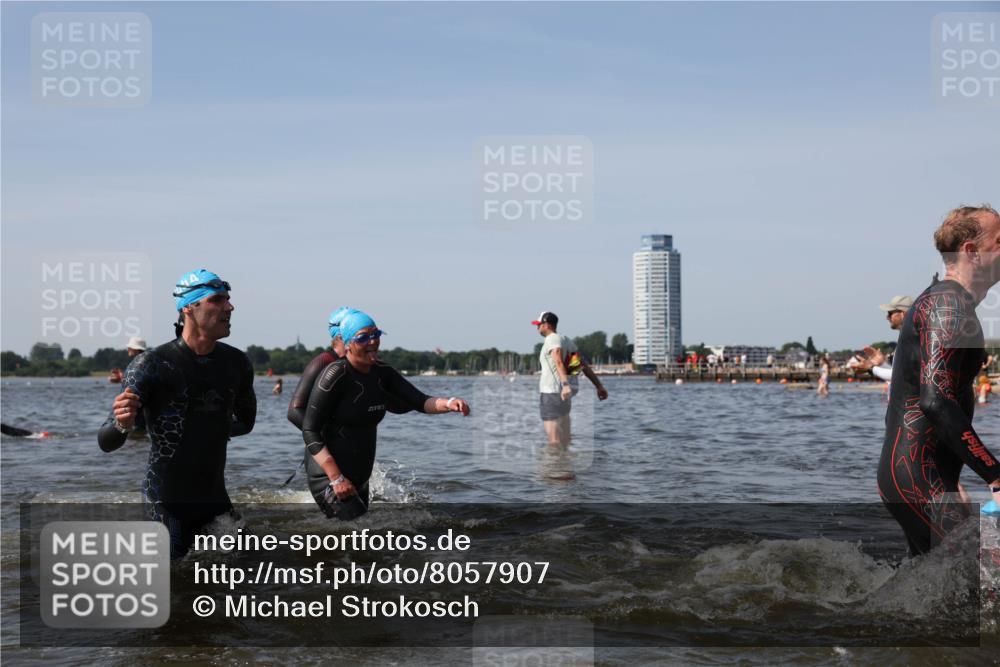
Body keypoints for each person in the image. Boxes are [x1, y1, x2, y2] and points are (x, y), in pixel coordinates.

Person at [97, 269, 256, 559]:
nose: (229, 307)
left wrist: (205, 426)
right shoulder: (151, 364)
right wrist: (123, 424)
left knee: (255, 570)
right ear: (188, 308)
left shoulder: (237, 364)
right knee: (171, 588)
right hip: (167, 502)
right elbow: (107, 442)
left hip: (215, 500)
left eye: (228, 300)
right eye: (217, 300)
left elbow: (246, 423)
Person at [877, 204, 1000, 555]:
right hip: (917, 474)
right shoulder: (948, 305)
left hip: (920, 474)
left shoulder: (949, 301)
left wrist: (952, 480)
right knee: (983, 577)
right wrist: (994, 474)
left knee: (932, 593)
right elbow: (936, 400)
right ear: (972, 252)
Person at [300, 310, 469, 519]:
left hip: (359, 476)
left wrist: (449, 403)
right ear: (348, 344)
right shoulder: (335, 375)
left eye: (376, 334)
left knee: (362, 540)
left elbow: (421, 401)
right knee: (354, 536)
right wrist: (336, 478)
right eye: (363, 337)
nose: (372, 341)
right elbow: (310, 430)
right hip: (328, 476)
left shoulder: (382, 372)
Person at [532, 311, 608, 445]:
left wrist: (565, 384)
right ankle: (566, 465)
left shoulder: (552, 339)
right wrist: (599, 386)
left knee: (554, 441)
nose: (537, 327)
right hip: (564, 395)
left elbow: (558, 360)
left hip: (552, 393)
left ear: (547, 325)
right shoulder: (566, 340)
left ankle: (554, 465)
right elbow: (581, 365)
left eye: (539, 324)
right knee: (565, 439)